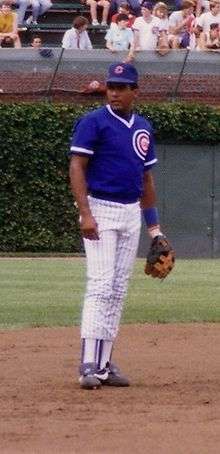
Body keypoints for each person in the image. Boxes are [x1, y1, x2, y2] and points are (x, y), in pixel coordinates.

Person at [68, 62, 167, 390]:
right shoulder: (93, 122)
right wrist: (85, 213)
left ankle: (105, 363)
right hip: (100, 208)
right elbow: (77, 166)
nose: (114, 91)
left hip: (129, 214)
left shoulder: (143, 128)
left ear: (135, 91)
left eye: (122, 87)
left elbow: (146, 179)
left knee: (118, 288)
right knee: (99, 283)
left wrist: (155, 229)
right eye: (111, 85)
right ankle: (88, 363)